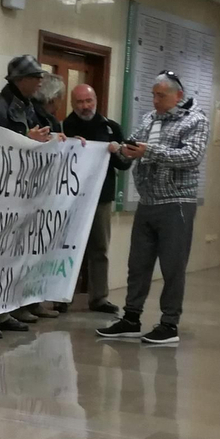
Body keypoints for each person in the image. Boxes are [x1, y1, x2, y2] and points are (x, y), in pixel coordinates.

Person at [97, 71, 209, 347]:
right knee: (138, 264)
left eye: (161, 95)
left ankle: (169, 323)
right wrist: (116, 149)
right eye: (153, 95)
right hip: (147, 202)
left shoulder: (196, 121)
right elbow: (133, 146)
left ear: (178, 96)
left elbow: (191, 157)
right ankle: (131, 318)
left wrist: (148, 151)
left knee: (173, 266)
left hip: (176, 204)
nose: (155, 100)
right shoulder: (150, 119)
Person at [0, 54, 59, 336]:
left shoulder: (29, 107)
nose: (40, 82)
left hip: (17, 194)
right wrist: (25, 140)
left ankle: (1, 310)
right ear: (21, 80)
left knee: (7, 256)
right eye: (35, 77)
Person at [61, 83, 130, 315]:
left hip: (101, 198)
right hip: (70, 199)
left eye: (88, 101)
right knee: (69, 247)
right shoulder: (64, 127)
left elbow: (126, 162)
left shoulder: (111, 128)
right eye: (79, 102)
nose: (84, 106)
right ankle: (63, 296)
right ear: (73, 104)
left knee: (99, 248)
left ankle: (99, 298)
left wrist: (117, 151)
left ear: (96, 101)